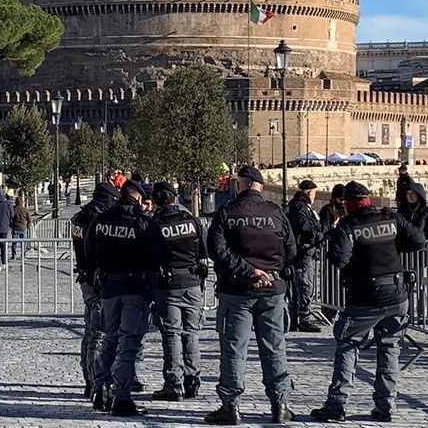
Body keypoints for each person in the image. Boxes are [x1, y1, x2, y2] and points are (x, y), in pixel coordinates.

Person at [311, 181, 427, 423]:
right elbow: (418, 240)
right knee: (389, 348)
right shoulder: (390, 218)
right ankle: (386, 406)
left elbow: (338, 259)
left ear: (348, 203)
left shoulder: (349, 225)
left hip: (366, 295)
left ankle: (337, 405)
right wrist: (393, 246)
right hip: (397, 293)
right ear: (368, 199)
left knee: (347, 344)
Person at [205, 166, 297, 426]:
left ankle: (231, 406)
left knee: (235, 349)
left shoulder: (227, 213)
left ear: (241, 185)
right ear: (260, 186)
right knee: (274, 348)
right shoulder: (276, 213)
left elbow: (217, 250)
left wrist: (248, 271)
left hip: (237, 290)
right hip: (272, 291)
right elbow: (291, 250)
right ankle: (280, 404)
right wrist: (266, 271)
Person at [85, 180, 157, 416]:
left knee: (108, 339)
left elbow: (88, 252)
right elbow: (160, 255)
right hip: (134, 288)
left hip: (108, 288)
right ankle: (122, 398)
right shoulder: (142, 223)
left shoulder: (101, 220)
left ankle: (99, 387)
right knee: (128, 344)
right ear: (137, 198)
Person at [147, 181, 207, 402]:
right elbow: (203, 250)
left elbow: (150, 256)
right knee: (191, 333)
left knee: (172, 335)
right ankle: (193, 381)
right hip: (192, 282)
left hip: (168, 284)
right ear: (173, 198)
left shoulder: (156, 224)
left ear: (155, 200)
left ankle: (174, 384)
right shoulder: (191, 220)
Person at [71, 182, 119, 399]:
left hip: (85, 279)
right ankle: (96, 381)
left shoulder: (79, 217)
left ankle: (89, 378)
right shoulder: (97, 219)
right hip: (98, 281)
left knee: (91, 331)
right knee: (100, 333)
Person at [287, 179, 323, 333]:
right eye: (314, 193)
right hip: (303, 252)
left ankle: (295, 319)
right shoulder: (300, 206)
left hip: (302, 251)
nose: (314, 196)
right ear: (309, 192)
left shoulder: (298, 205)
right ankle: (304, 319)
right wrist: (318, 229)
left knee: (299, 287)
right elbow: (305, 226)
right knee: (304, 286)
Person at [10, 195, 32, 260]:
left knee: (14, 243)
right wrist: (28, 226)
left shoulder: (13, 209)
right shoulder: (25, 210)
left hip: (15, 227)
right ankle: (23, 255)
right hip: (23, 227)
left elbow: (10, 218)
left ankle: (13, 255)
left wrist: (11, 225)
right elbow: (29, 220)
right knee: (23, 243)